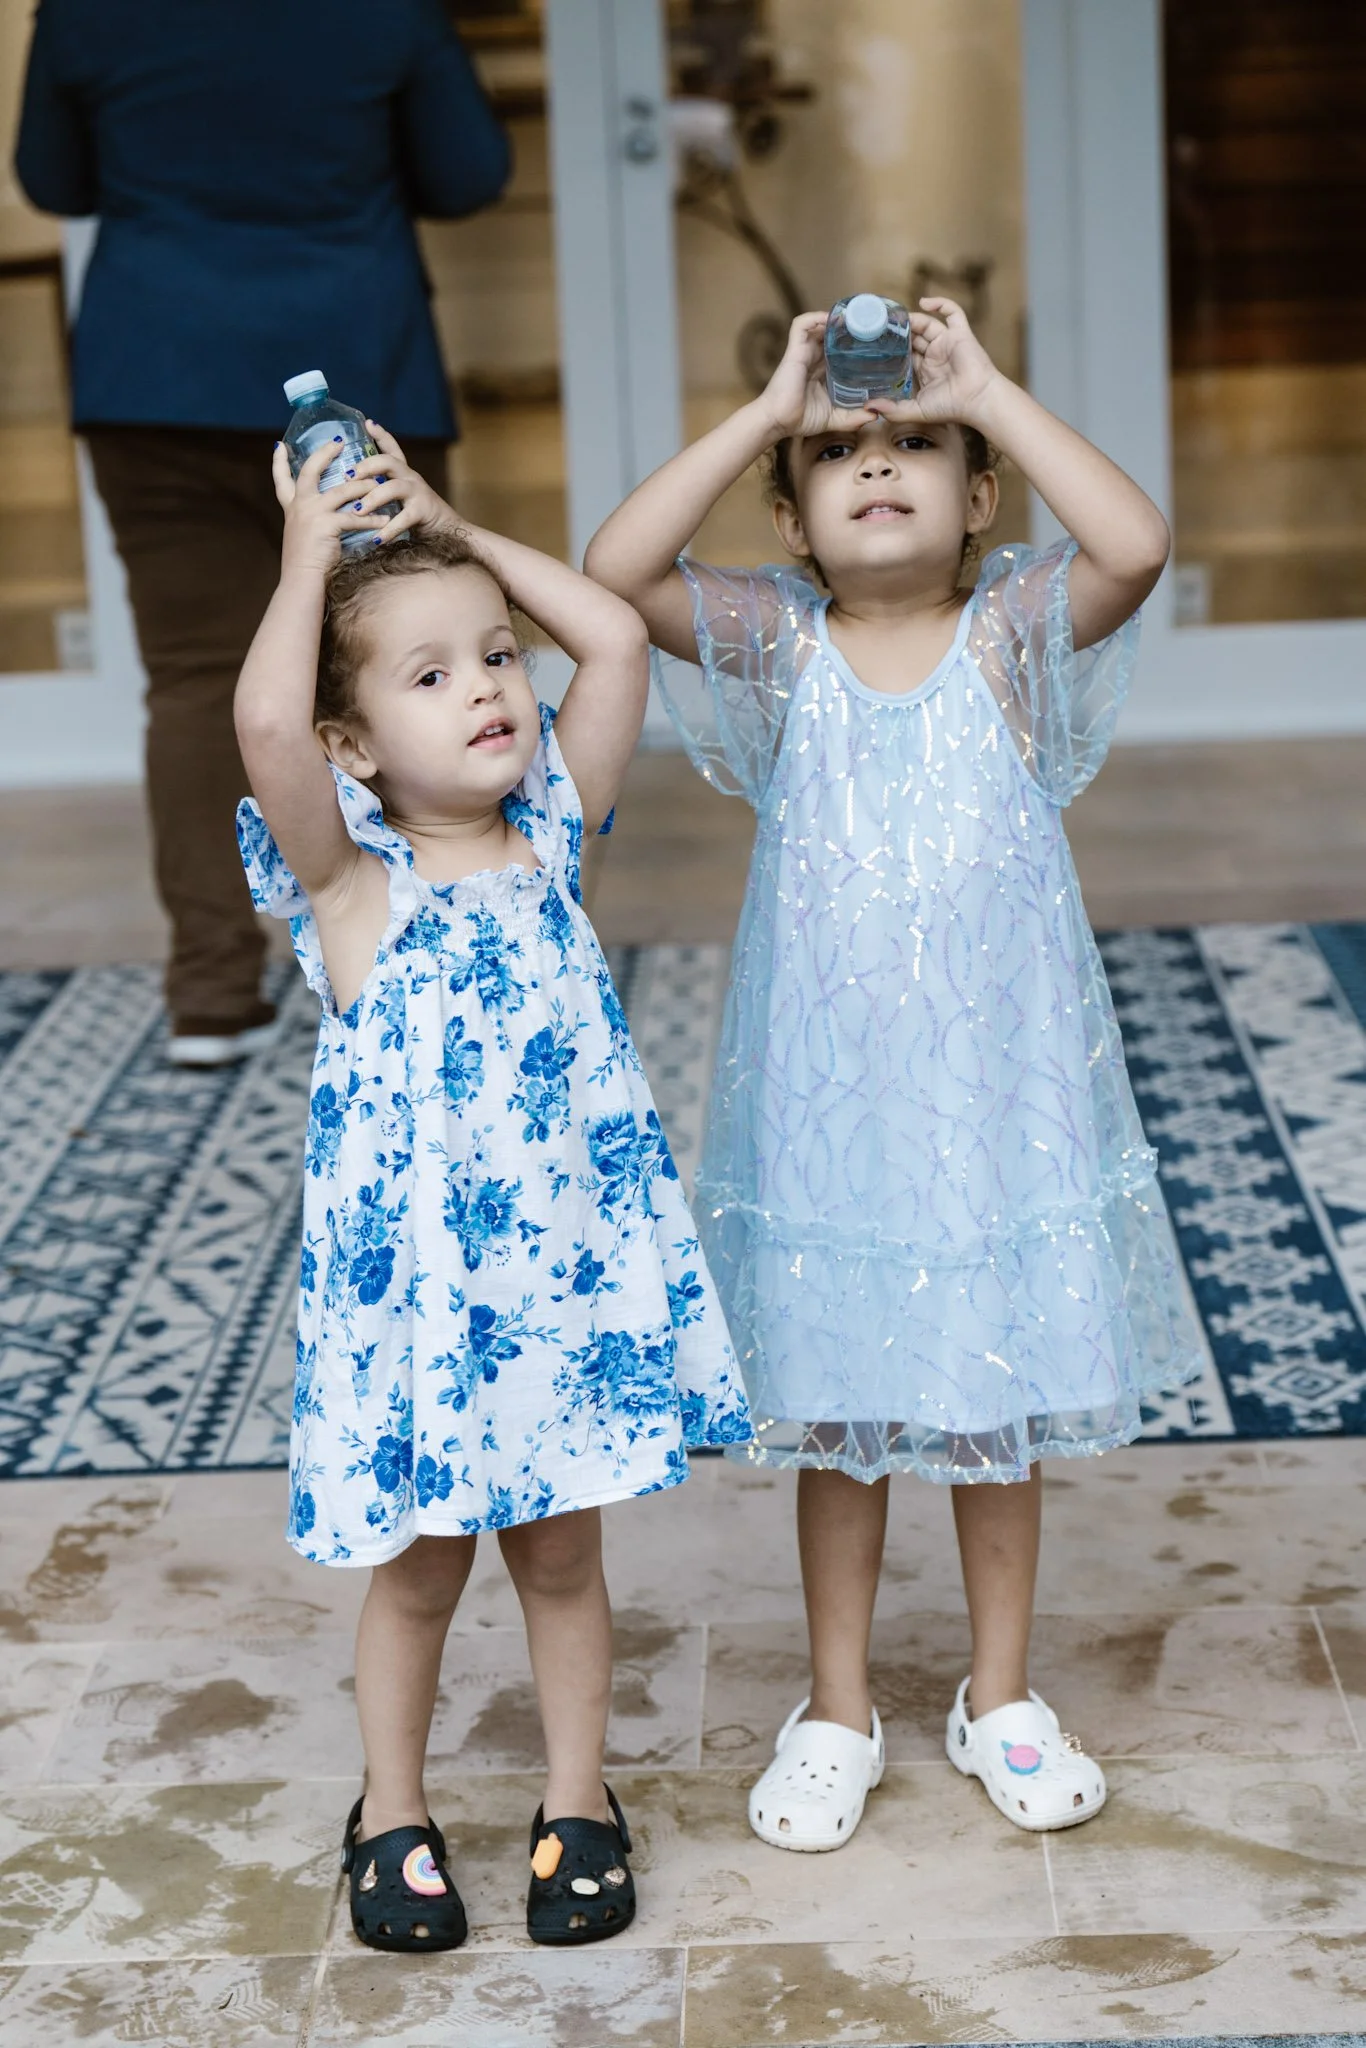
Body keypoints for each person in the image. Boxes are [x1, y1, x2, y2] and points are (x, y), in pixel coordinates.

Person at [584, 300, 1203, 1851]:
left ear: (978, 494)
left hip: (995, 1106)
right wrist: (762, 407)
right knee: (847, 1414)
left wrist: (989, 384)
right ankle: (838, 1703)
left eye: (917, 445)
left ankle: (997, 1691)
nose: (880, 467)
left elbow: (1133, 542)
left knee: (997, 1410)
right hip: (833, 1117)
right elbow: (616, 574)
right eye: (838, 454)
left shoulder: (1009, 637)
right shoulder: (780, 651)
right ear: (788, 513)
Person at [233, 429, 750, 1948]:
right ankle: (390, 1808)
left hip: (563, 1299)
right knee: (415, 1575)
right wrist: (312, 550)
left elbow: (606, 632)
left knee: (566, 1559)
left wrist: (448, 525)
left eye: (491, 660)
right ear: (353, 742)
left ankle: (576, 1801)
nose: (486, 688)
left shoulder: (553, 839)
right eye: (430, 675)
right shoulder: (351, 882)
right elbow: (265, 716)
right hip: (423, 1313)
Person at [15, 0, 509, 1066]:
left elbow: (53, 181)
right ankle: (419, 957)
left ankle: (210, 992)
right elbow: (469, 174)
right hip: (358, 365)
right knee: (406, 660)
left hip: (158, 368)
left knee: (196, 678)